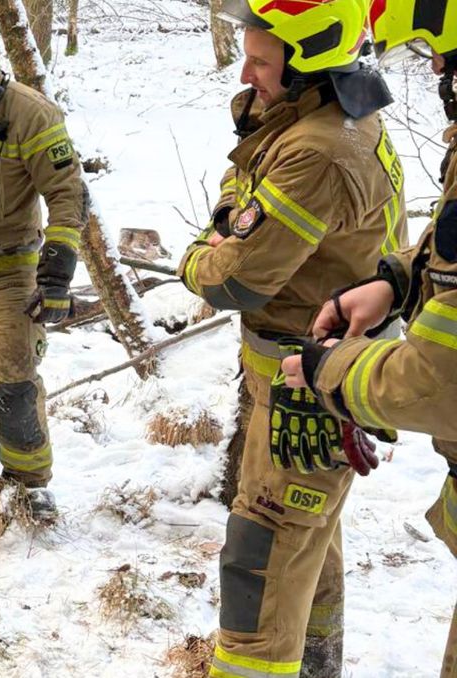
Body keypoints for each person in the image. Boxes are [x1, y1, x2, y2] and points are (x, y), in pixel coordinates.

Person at [177, 2, 407, 676]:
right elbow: (244, 191)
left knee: (262, 559)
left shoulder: (316, 150)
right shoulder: (322, 117)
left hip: (305, 386)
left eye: (261, 62)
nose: (246, 73)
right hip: (295, 378)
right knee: (308, 546)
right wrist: (236, 207)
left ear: (310, 65)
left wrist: (202, 250)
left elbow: (231, 281)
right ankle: (314, 663)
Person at [281, 2, 457, 673]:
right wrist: (398, 280)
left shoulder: (322, 146)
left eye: (440, 57)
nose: (435, 71)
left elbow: (440, 384)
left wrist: (332, 372)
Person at [0, 36, 88, 518]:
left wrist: (57, 272)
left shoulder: (30, 113)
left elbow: (67, 193)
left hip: (9, 270)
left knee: (14, 385)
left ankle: (29, 485)